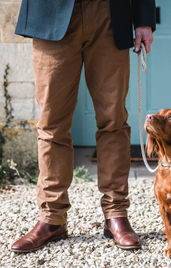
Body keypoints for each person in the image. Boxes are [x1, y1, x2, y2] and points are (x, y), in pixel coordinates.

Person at [11, 0, 156, 252]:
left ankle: (116, 214)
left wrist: (144, 19)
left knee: (113, 121)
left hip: (110, 13)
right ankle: (52, 218)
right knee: (51, 125)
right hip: (51, 13)